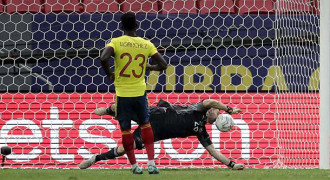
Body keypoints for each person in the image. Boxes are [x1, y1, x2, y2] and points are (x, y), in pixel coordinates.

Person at [79, 99, 245, 170]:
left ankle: (95, 159)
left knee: (126, 148)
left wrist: (231, 164)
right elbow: (210, 102)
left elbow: (213, 151)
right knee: (125, 109)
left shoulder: (201, 131)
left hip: (155, 132)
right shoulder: (199, 108)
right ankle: (109, 110)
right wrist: (229, 109)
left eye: (216, 111)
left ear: (216, 122)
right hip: (157, 114)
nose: (214, 109)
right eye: (216, 109)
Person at [99, 12, 167, 174]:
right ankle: (151, 164)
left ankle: (134, 166)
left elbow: (103, 57)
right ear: (137, 26)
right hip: (139, 93)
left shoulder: (116, 42)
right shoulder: (146, 44)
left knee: (126, 130)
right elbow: (163, 65)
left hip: (123, 95)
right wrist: (149, 67)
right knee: (146, 125)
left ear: (121, 26)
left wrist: (109, 74)